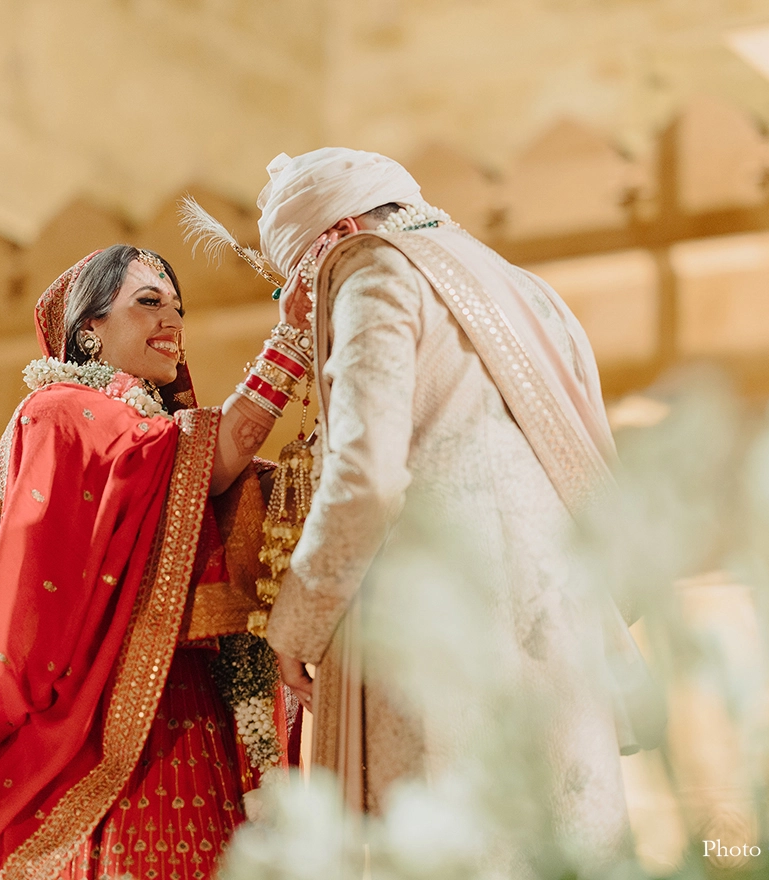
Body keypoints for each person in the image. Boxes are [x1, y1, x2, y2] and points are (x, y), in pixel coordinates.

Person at [0, 245, 313, 880]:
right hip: (101, 732)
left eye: (178, 307)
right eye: (148, 302)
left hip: (195, 712)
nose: (172, 320)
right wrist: (291, 343)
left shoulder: (155, 436)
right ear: (90, 330)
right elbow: (207, 458)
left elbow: (221, 483)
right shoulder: (58, 413)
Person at [255, 149, 634, 855]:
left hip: (444, 642)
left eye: (301, 278)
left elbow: (366, 475)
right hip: (563, 643)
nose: (305, 305)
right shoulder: (532, 293)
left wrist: (298, 622)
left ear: (338, 233)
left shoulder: (373, 268)